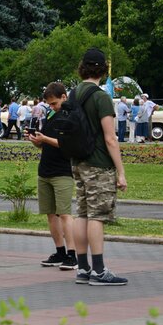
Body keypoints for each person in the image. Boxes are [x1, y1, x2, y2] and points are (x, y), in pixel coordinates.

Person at [71, 48, 128, 286]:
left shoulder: (74, 93)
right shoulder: (101, 97)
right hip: (99, 164)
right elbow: (110, 138)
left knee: (81, 212)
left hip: (78, 161)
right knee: (97, 215)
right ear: (103, 70)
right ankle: (99, 270)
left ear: (83, 67)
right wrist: (121, 171)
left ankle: (82, 267)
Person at [27, 82, 77, 270]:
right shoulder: (51, 114)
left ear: (64, 97)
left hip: (62, 171)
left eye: (55, 103)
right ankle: (60, 251)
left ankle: (73, 255)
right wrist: (36, 141)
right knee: (50, 214)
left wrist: (45, 139)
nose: (52, 107)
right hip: (45, 170)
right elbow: (45, 143)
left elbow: (68, 144)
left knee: (64, 214)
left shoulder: (71, 116)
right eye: (50, 104)